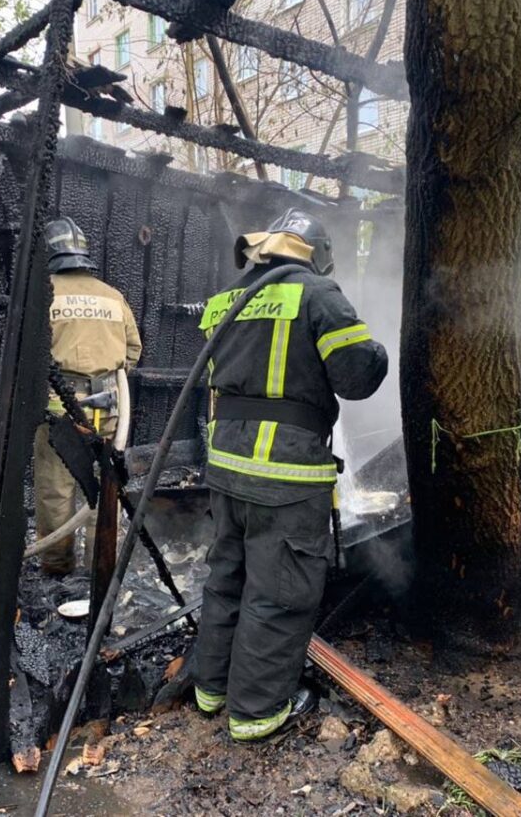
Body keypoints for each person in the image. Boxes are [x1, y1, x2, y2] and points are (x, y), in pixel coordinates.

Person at [193, 207, 388, 743]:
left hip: (227, 468)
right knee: (278, 592)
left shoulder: (227, 300)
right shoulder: (317, 295)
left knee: (227, 577)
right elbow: (355, 379)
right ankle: (256, 711)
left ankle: (210, 690)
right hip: (284, 474)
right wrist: (376, 353)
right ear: (318, 255)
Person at [34, 217, 142, 576]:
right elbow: (133, 351)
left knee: (57, 489)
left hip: (60, 410)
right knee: (107, 482)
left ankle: (57, 567)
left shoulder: (41, 293)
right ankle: (102, 564)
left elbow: (24, 356)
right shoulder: (112, 296)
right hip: (111, 409)